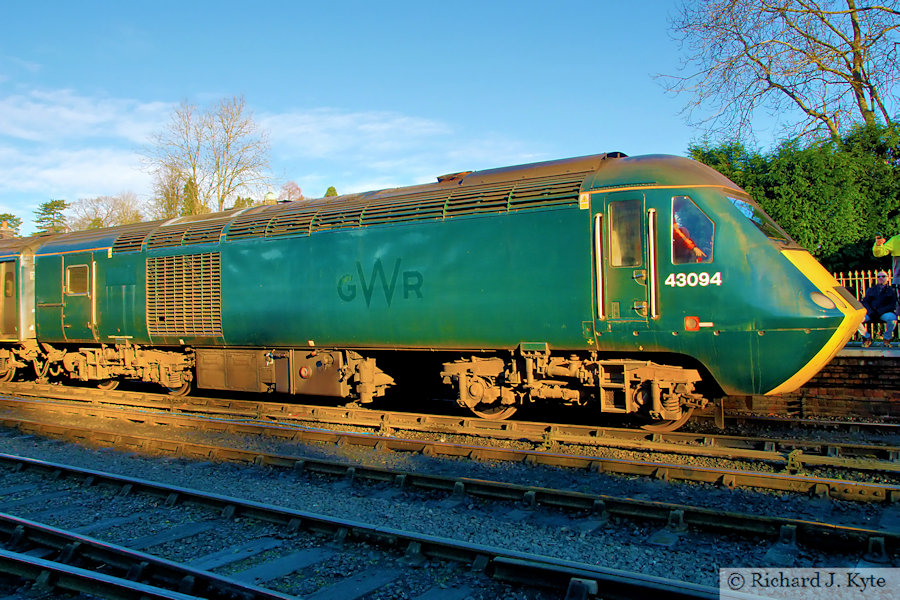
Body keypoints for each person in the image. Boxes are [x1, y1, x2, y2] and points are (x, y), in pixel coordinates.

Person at [857, 271, 898, 348]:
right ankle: (867, 337)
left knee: (892, 318)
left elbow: (892, 305)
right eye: (879, 276)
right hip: (871, 313)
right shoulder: (871, 289)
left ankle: (887, 339)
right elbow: (865, 302)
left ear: (888, 278)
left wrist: (880, 311)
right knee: (856, 320)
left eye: (883, 276)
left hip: (884, 313)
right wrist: (870, 311)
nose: (881, 278)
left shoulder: (891, 290)